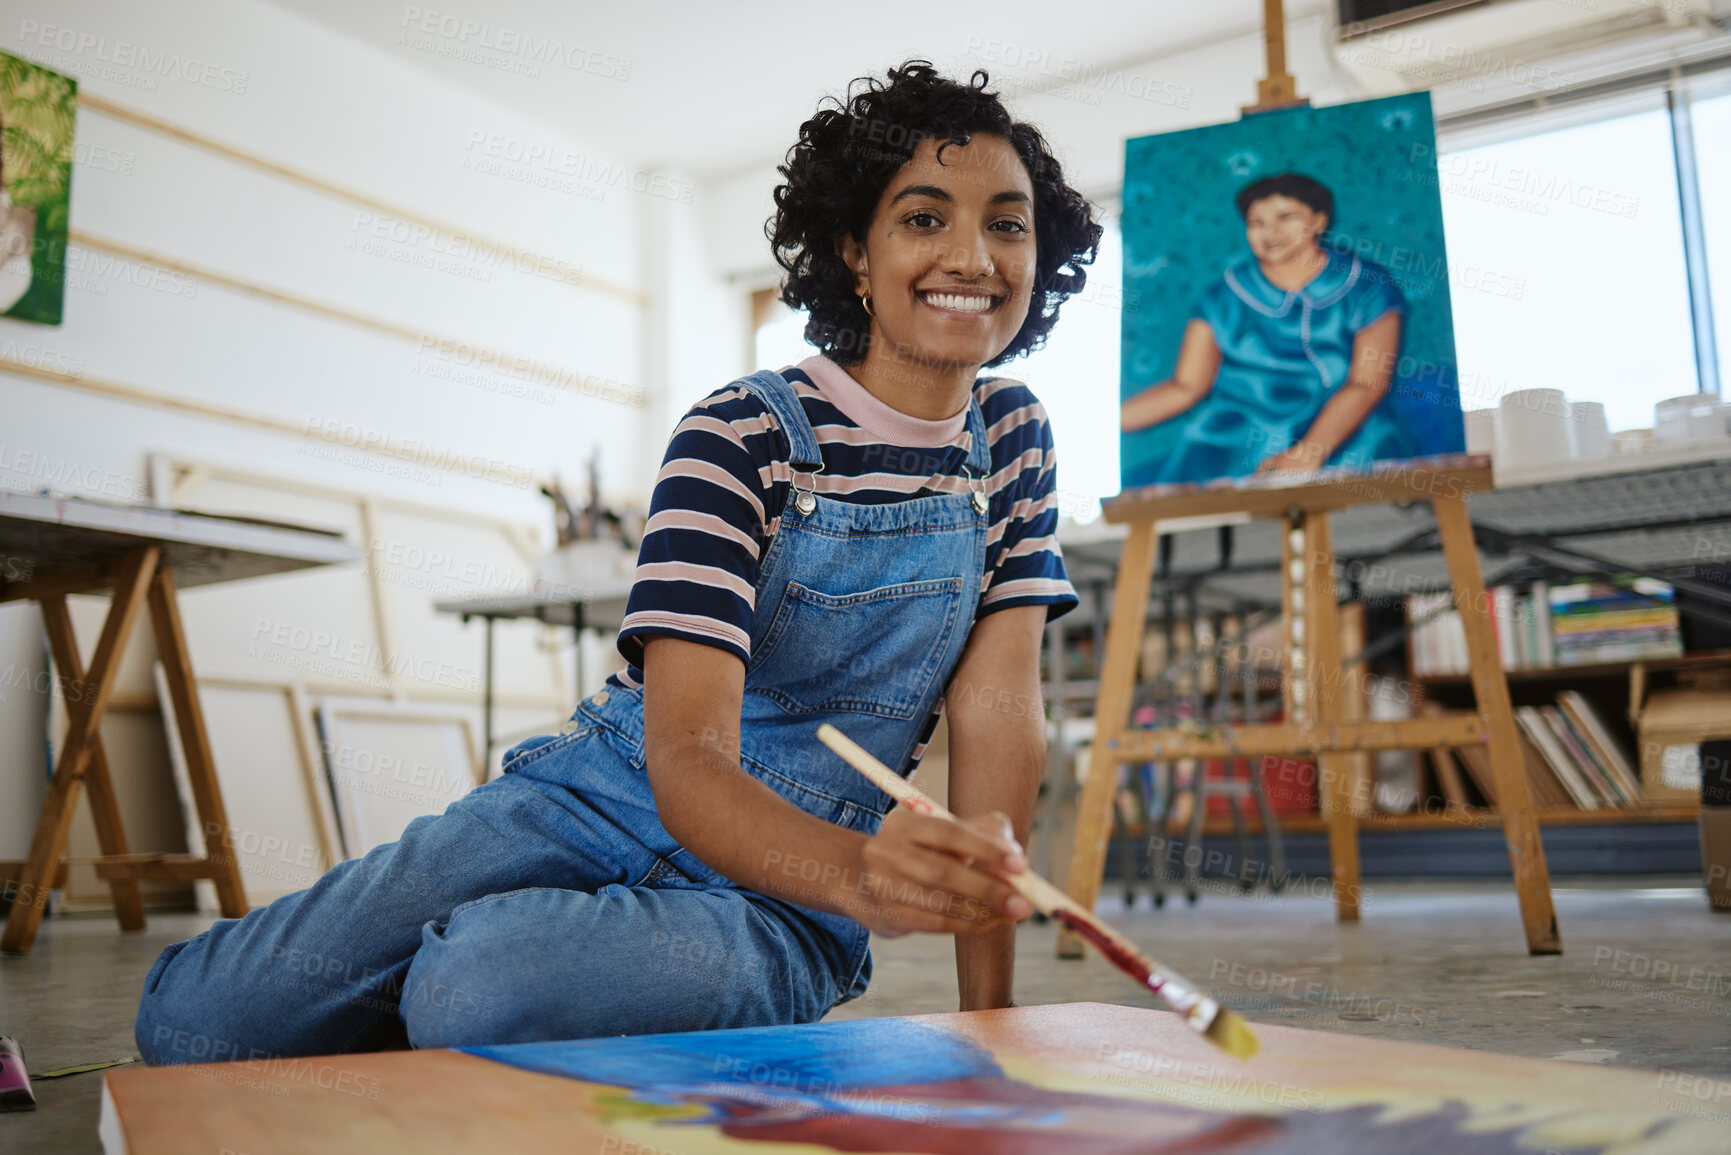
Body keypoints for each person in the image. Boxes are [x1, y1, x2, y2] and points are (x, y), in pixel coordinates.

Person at [133, 60, 1100, 1064]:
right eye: (924, 218)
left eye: (1007, 223)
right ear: (855, 250)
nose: (973, 255)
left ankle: (494, 989)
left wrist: (990, 1015)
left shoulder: (1013, 440)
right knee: (197, 1024)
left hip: (779, 901)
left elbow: (998, 720)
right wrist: (869, 875)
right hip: (595, 802)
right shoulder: (741, 433)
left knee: (477, 988)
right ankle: (493, 988)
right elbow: (685, 762)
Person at [1120, 173, 1415, 483]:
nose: (1270, 231)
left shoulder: (1367, 286)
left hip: (1344, 433)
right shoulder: (1222, 297)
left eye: (1286, 217)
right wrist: (1101, 423)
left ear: (1319, 220)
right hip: (1240, 437)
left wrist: (1309, 452)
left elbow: (1367, 383)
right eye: (1256, 223)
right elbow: (1187, 387)